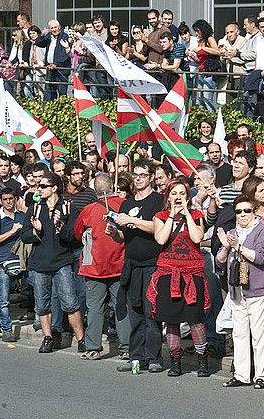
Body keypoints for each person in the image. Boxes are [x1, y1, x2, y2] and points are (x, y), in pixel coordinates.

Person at [146, 180, 212, 378]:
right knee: (171, 321)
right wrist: (172, 217)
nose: (178, 197)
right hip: (169, 273)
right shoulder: (161, 216)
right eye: (174, 193)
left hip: (192, 274)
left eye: (182, 193)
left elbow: (197, 238)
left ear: (187, 196)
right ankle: (175, 360)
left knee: (195, 320)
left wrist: (187, 215)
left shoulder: (197, 215)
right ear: (168, 196)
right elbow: (161, 239)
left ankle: (202, 359)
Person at [109, 162, 166, 375]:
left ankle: (154, 357)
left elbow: (157, 227)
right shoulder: (126, 204)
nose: (139, 178)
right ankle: (136, 356)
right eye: (136, 175)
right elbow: (124, 235)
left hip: (152, 263)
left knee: (151, 311)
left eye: (143, 175)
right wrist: (114, 233)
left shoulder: (158, 201)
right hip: (131, 264)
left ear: (152, 177)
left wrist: (132, 220)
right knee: (135, 312)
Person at [218, 195, 264, 388]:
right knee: (240, 334)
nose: (242, 215)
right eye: (238, 211)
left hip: (258, 289)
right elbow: (220, 260)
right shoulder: (232, 232)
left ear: (254, 212)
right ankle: (241, 374)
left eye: (247, 211)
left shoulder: (263, 231)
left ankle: (261, 375)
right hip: (237, 290)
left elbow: (261, 258)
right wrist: (226, 246)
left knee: (260, 335)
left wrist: (238, 246)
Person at [27, 170, 84, 353]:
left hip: (61, 262)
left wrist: (61, 226)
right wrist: (36, 231)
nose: (39, 189)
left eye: (43, 186)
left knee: (70, 302)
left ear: (54, 188)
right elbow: (24, 235)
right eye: (38, 185)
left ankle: (81, 339)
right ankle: (47, 337)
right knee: (42, 304)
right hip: (39, 263)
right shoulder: (36, 207)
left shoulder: (68, 207)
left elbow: (74, 237)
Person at [74, 173, 125, 359]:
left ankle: (93, 347)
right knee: (121, 306)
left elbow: (77, 232)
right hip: (119, 264)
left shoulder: (88, 210)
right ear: (112, 186)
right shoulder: (124, 205)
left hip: (94, 266)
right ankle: (126, 347)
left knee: (94, 307)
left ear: (95, 190)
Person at [0, 186, 28, 342]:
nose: (8, 202)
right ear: (1, 201)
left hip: (22, 260)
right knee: (4, 298)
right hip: (3, 261)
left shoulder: (22, 216)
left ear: (15, 199)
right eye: (5, 199)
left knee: (35, 290)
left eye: (11, 198)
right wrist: (12, 231)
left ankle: (39, 321)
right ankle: (6, 329)